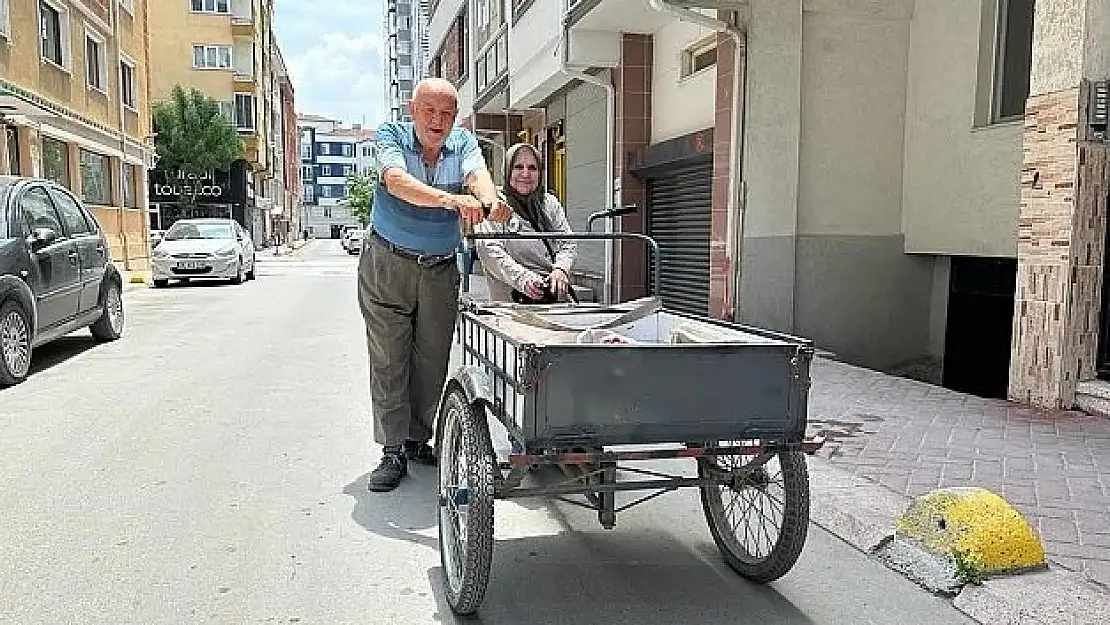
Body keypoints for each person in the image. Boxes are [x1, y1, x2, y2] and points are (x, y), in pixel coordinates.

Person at [359, 77, 511, 493]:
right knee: (390, 358)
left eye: (446, 113)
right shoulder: (391, 136)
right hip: (387, 263)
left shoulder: (462, 143)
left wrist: (489, 199)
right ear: (413, 110)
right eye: (429, 111)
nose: (437, 120)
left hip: (441, 268)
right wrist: (451, 201)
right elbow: (395, 181)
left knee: (431, 360)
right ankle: (392, 450)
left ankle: (416, 439)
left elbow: (477, 176)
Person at [473, 143, 577, 303]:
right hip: (512, 304)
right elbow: (489, 251)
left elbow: (567, 242)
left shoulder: (549, 203)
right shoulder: (494, 204)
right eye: (518, 167)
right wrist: (524, 279)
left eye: (532, 168)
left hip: (555, 303)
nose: (525, 173)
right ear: (508, 171)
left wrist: (561, 269)